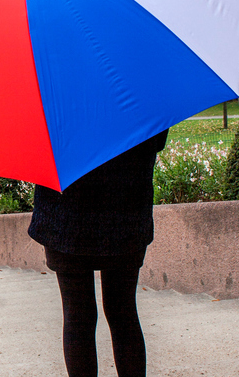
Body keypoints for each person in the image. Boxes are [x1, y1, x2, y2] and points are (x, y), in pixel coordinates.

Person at [28, 131, 168, 377]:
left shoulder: (52, 91)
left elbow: (34, 144)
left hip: (66, 209)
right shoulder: (137, 90)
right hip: (126, 204)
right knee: (123, 310)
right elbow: (157, 138)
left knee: (77, 315)